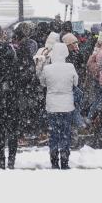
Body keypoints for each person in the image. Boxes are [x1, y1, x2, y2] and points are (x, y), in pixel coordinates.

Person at [38, 40, 78, 169]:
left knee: (54, 133)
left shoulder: (47, 68)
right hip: (67, 105)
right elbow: (76, 83)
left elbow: (43, 83)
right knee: (66, 133)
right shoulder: (70, 67)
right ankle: (65, 161)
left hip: (52, 105)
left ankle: (54, 160)